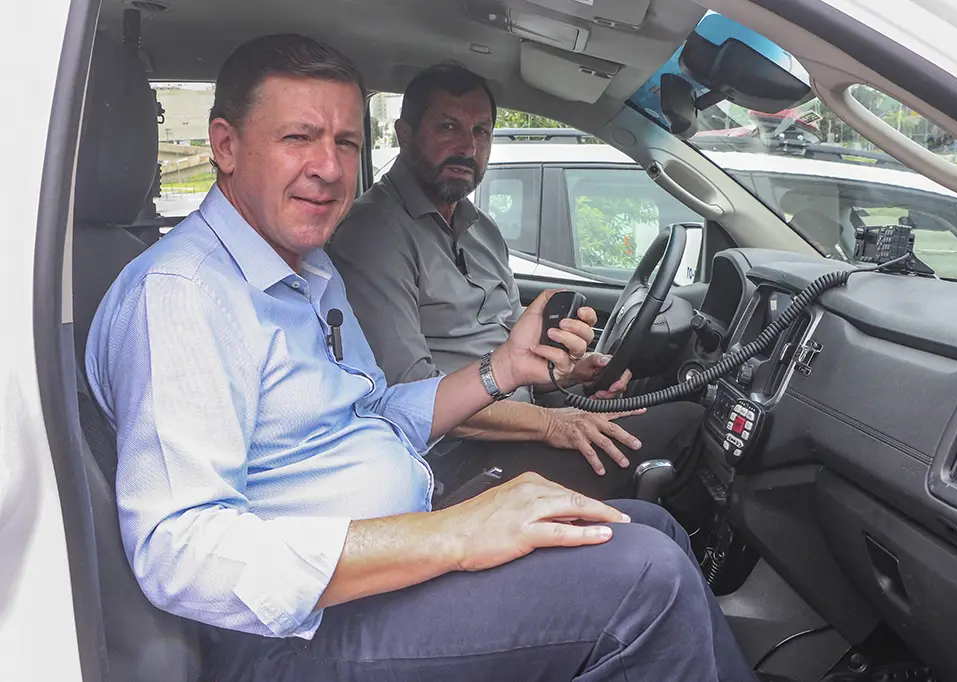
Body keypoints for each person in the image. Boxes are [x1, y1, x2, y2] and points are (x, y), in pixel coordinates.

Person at [86, 33, 756, 681]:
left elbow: (377, 409)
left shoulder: (306, 272)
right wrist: (454, 536)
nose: (328, 167)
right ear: (226, 146)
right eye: (298, 138)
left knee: (654, 529)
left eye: (345, 142)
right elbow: (180, 552)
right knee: (649, 582)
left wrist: (506, 370)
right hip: (293, 635)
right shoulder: (181, 296)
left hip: (390, 561)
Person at [329, 63, 705, 501]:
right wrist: (551, 424)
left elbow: (515, 358)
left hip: (521, 423)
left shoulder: (481, 230)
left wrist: (572, 377)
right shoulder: (373, 234)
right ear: (405, 134)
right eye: (448, 127)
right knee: (687, 424)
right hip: (455, 459)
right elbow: (411, 401)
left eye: (482, 131)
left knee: (679, 395)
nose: (468, 147)